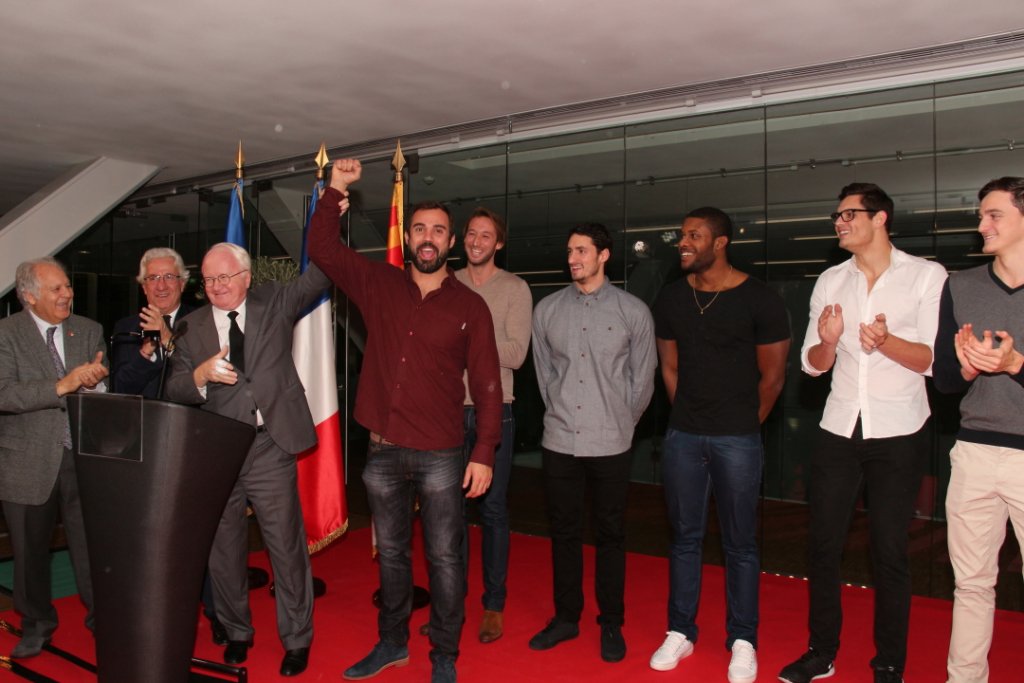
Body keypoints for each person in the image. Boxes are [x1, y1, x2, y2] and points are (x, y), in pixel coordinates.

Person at [307, 158, 502, 683]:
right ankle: (391, 643)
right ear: (409, 236)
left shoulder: (471, 308)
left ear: (451, 241)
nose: (428, 237)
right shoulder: (379, 284)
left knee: (444, 559)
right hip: (383, 450)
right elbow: (322, 250)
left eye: (439, 230)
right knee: (390, 556)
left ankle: (443, 655)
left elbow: (488, 386)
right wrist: (335, 190)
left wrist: (483, 452)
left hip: (442, 453)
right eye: (420, 228)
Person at [780, 183, 947, 683]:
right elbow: (812, 365)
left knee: (889, 550)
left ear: (881, 219)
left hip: (898, 428)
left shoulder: (925, 276)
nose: (839, 222)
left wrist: (888, 341)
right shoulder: (831, 281)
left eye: (850, 214)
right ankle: (821, 652)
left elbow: (936, 361)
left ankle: (889, 661)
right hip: (838, 426)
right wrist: (829, 344)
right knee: (823, 544)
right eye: (837, 215)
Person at [165, 242, 328, 677]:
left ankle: (297, 639)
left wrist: (331, 200)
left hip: (268, 445)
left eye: (225, 277)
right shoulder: (190, 326)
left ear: (246, 277)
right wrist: (199, 376)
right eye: (209, 279)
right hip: (217, 450)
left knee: (285, 546)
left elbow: (322, 274)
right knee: (223, 548)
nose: (216, 287)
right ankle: (237, 631)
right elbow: (173, 388)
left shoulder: (274, 301)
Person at [649, 207, 790, 683]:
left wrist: (743, 426)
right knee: (684, 538)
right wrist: (687, 413)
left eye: (695, 235)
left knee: (741, 544)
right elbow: (669, 367)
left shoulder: (760, 299)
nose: (684, 242)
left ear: (721, 242)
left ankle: (743, 640)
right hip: (683, 436)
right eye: (683, 234)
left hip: (738, 439)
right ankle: (680, 631)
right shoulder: (670, 298)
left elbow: (773, 378)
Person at [528, 222, 656, 664]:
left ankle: (611, 622)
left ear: (604, 255)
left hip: (612, 442)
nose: (572, 259)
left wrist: (621, 422)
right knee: (563, 533)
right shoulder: (546, 309)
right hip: (559, 439)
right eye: (569, 251)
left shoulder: (632, 311)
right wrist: (563, 413)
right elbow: (545, 377)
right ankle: (566, 618)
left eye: (581, 250)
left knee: (610, 536)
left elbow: (643, 381)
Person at [933, 177, 1024, 683]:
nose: (981, 225)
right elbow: (945, 381)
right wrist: (967, 368)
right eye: (981, 214)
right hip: (974, 453)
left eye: (994, 215)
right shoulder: (960, 286)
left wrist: (1015, 363)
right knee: (970, 584)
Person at [0, 257, 108, 658]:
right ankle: (36, 624)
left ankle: (104, 618)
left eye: (67, 286)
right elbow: (4, 395)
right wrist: (61, 385)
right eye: (56, 289)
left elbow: (102, 388)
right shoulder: (5, 335)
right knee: (29, 552)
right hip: (25, 460)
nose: (67, 294)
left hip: (82, 458)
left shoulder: (90, 330)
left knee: (92, 547)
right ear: (29, 297)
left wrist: (96, 385)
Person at [454, 207, 532, 644]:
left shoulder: (515, 288)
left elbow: (517, 353)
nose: (477, 241)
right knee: (451, 513)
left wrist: (464, 336)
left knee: (494, 510)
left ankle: (493, 605)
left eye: (486, 236)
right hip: (446, 412)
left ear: (498, 243)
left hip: (493, 410)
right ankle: (454, 603)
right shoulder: (449, 283)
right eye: (471, 234)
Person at [111, 247, 194, 397]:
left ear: (182, 284)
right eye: (153, 278)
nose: (161, 286)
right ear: (144, 287)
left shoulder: (199, 323)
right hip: (140, 418)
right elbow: (119, 389)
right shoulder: (126, 328)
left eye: (169, 277)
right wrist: (145, 354)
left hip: (185, 417)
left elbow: (199, 381)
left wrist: (168, 340)